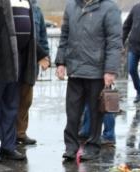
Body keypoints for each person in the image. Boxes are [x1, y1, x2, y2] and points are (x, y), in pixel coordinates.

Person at [0, 0, 49, 162]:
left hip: (18, 62)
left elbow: (29, 34)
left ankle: (8, 146)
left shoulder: (26, 2)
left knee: (11, 107)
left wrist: (41, 54)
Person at [55, 0, 122, 161]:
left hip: (97, 72)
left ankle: (93, 146)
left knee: (95, 113)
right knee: (72, 113)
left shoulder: (109, 8)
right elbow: (64, 36)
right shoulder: (71, 6)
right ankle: (71, 147)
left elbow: (114, 42)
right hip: (75, 70)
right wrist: (60, 62)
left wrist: (110, 70)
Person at [16, 0, 49, 146]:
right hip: (14, 62)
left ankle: (20, 133)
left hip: (31, 63)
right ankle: (8, 134)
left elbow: (42, 36)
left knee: (26, 100)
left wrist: (45, 56)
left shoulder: (36, 10)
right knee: (11, 101)